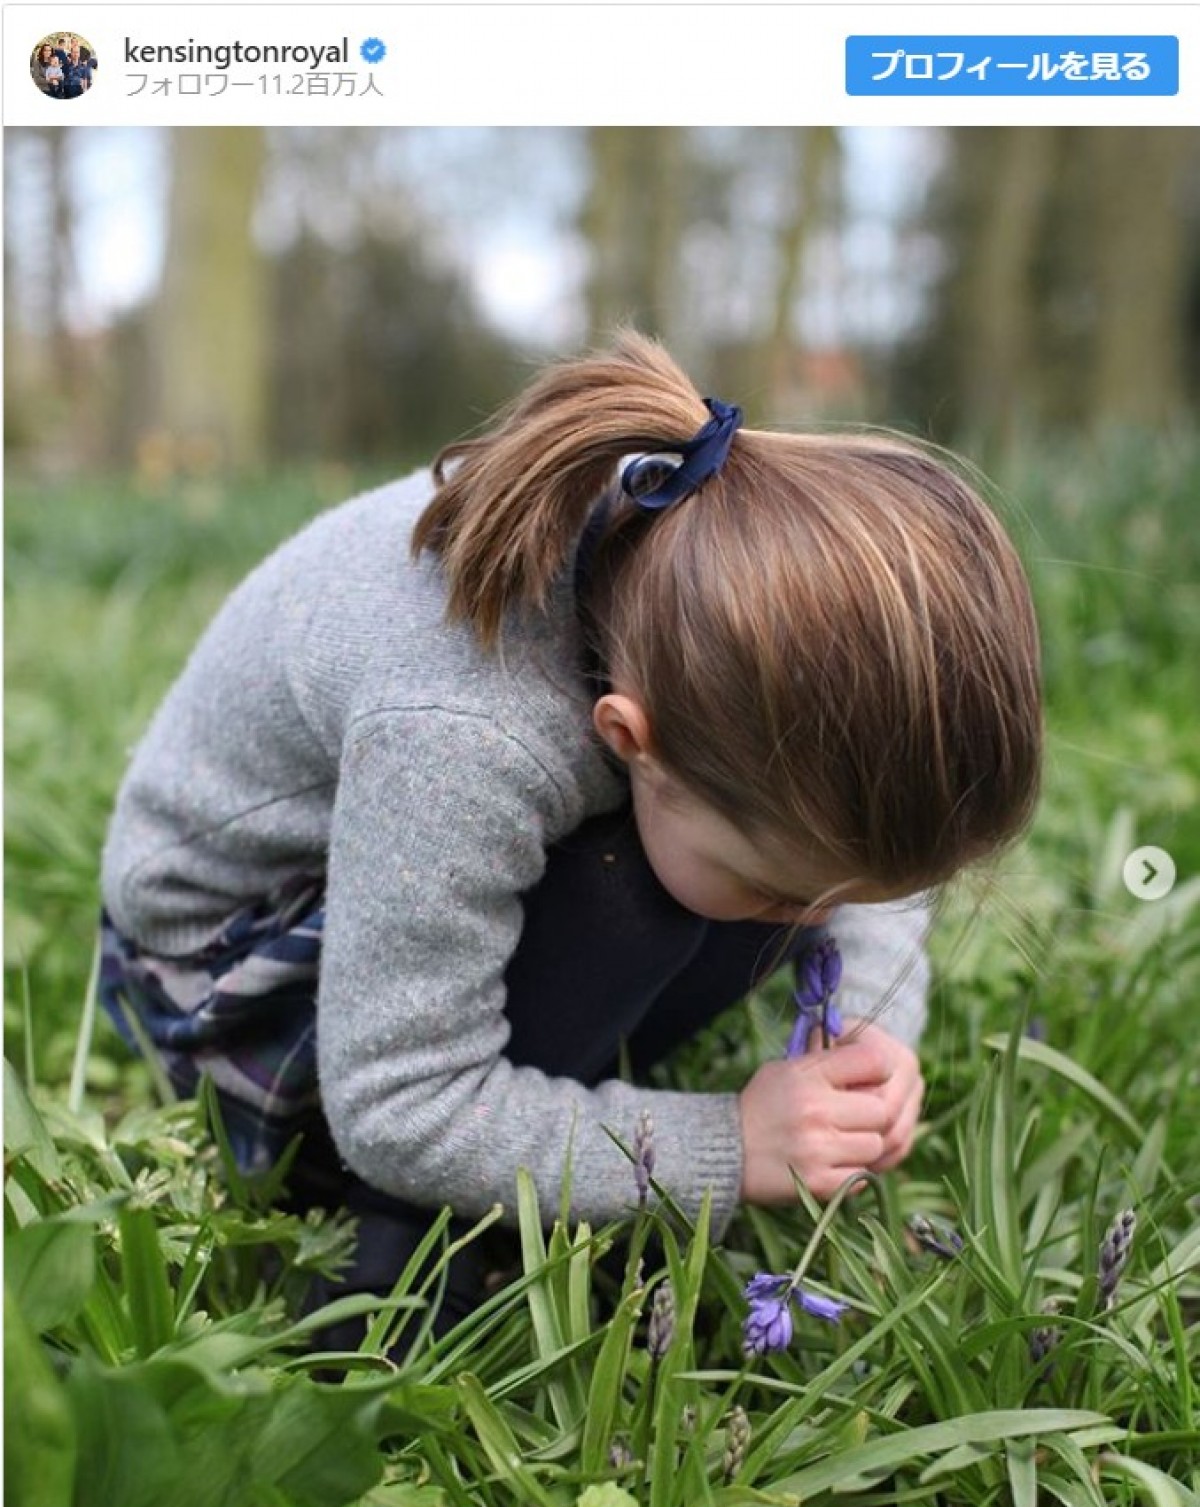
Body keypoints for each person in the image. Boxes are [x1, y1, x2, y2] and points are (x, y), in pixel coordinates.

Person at [99, 331, 1042, 1321]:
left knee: (725, 879)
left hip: (427, 867)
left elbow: (862, 857)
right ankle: (395, 1245)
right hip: (231, 976)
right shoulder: (467, 731)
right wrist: (728, 1146)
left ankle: (556, 1086)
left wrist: (868, 1034)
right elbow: (398, 1104)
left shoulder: (709, 625)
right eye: (793, 891)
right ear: (630, 737)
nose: (817, 922)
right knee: (633, 895)